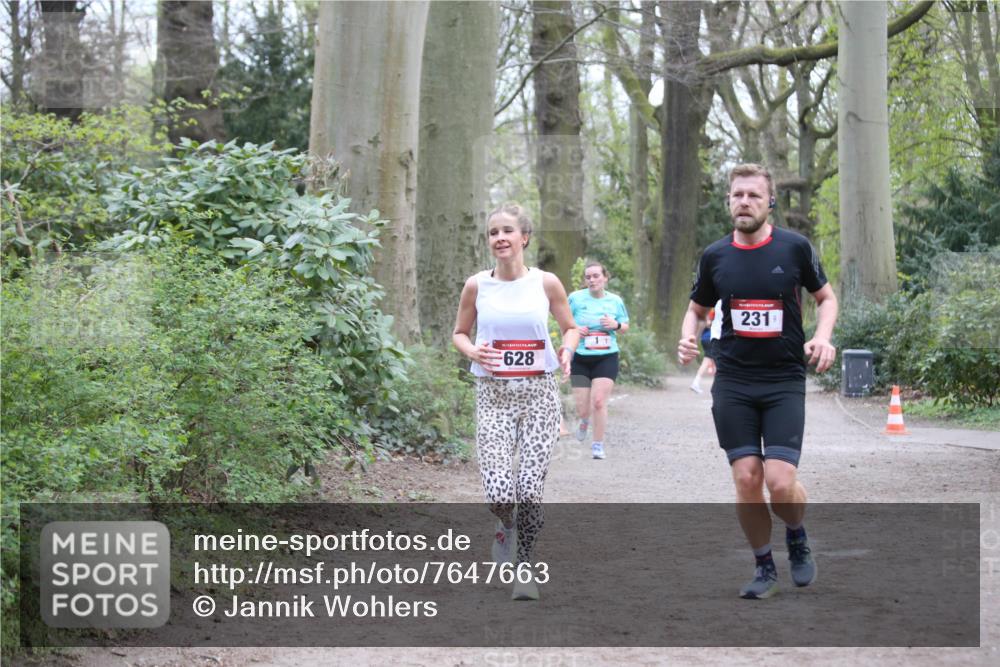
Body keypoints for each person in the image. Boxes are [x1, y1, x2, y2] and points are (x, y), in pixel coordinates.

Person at [677, 163, 838, 600]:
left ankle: (797, 532)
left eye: (752, 195)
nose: (744, 202)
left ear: (770, 202)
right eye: (736, 195)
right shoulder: (715, 257)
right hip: (733, 379)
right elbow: (696, 308)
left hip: (784, 378)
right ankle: (764, 567)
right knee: (748, 478)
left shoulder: (795, 248)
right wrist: (688, 336)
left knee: (781, 482)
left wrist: (822, 338)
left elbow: (825, 298)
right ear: (728, 202)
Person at [452, 203, 580, 602]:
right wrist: (472, 352)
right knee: (499, 492)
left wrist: (567, 351)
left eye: (508, 231)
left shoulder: (546, 283)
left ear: (524, 237)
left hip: (539, 394)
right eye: (493, 233)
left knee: (528, 487)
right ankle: (504, 528)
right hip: (492, 396)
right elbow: (459, 333)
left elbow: (571, 327)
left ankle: (525, 566)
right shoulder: (476, 285)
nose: (500, 238)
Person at [568, 261, 630, 459]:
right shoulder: (575, 299)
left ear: (605, 277)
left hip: (607, 356)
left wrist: (615, 324)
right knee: (582, 406)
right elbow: (565, 322)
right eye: (588, 277)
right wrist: (576, 329)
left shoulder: (615, 301)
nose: (592, 280)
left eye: (596, 276)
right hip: (580, 357)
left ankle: (597, 445)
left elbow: (625, 325)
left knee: (599, 401)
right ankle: (584, 420)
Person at [690, 299, 722, 394]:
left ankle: (716, 386)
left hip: (707, 338)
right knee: (709, 361)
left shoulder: (711, 308)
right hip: (711, 338)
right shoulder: (714, 308)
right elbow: (707, 322)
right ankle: (696, 382)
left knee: (713, 362)